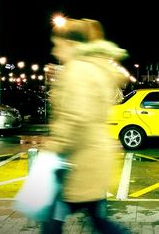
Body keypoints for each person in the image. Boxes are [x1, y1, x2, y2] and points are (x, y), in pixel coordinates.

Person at [41, 17, 130, 234]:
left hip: (79, 162)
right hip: (91, 159)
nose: (55, 51)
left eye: (57, 45)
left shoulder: (78, 71)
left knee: (52, 223)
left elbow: (76, 117)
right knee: (98, 221)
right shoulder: (92, 68)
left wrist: (53, 145)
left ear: (71, 44)